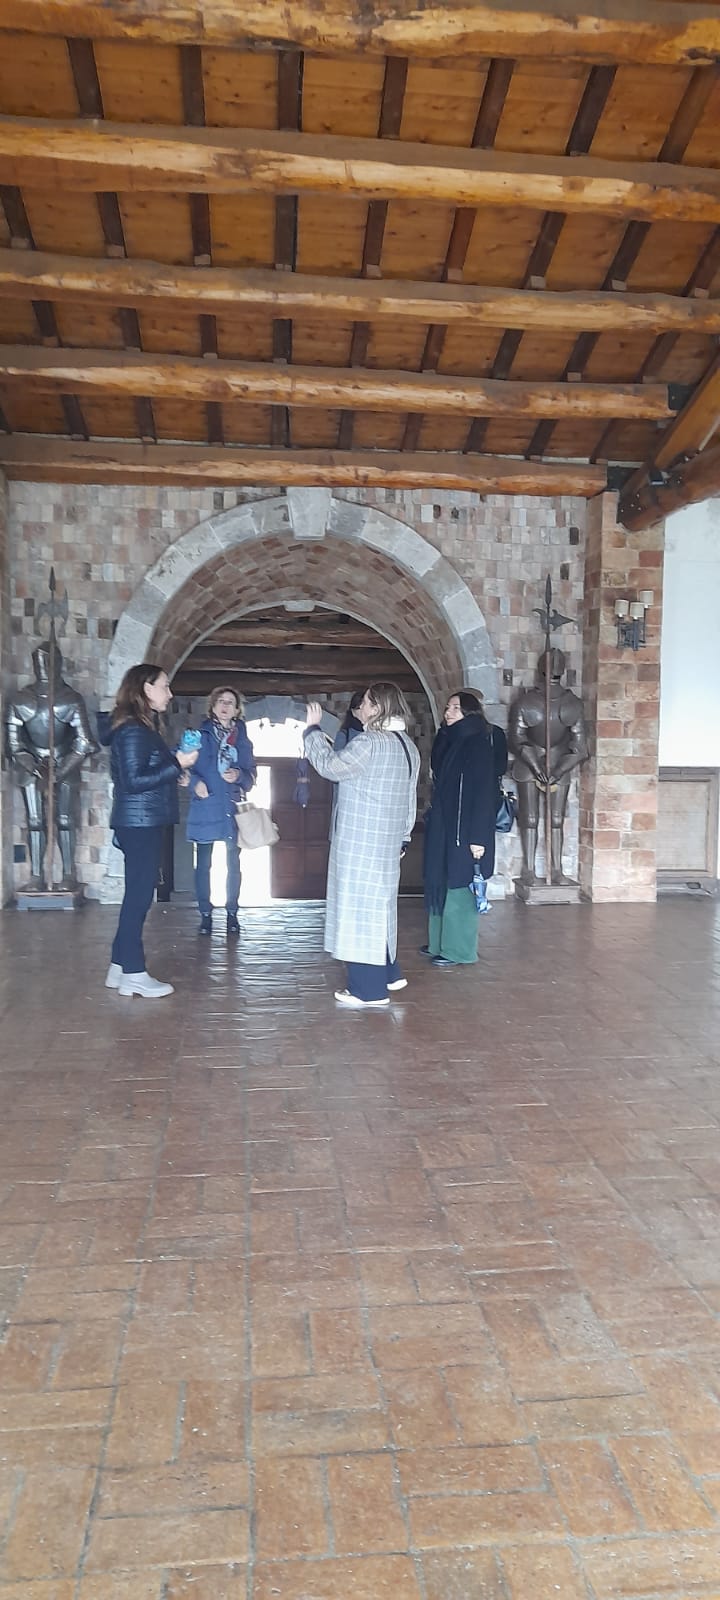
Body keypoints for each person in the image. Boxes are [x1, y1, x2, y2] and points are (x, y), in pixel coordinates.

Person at [303, 683, 420, 1009]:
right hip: (388, 842)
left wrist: (312, 732)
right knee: (381, 908)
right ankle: (390, 972)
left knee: (359, 912)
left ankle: (368, 990)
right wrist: (405, 836)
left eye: (366, 703)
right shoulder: (408, 745)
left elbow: (331, 767)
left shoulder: (370, 742)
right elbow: (410, 797)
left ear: (378, 708)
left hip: (360, 842)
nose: (361, 709)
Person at [104, 664, 198, 999]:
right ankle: (134, 973)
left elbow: (143, 771)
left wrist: (174, 769)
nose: (169, 694)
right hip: (139, 822)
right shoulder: (133, 729)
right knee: (139, 897)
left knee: (137, 894)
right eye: (164, 686)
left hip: (141, 820)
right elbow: (133, 781)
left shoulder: (139, 727)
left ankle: (119, 966)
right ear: (146, 688)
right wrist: (177, 764)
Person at [423, 690, 506, 967]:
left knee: (460, 886)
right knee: (440, 879)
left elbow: (483, 793)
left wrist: (479, 838)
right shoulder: (448, 739)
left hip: (467, 830)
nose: (448, 712)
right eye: (448, 707)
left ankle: (458, 950)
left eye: (455, 708)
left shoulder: (478, 743)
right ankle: (438, 943)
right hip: (445, 825)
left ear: (469, 712)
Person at [6, 642, 98, 888]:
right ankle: (37, 875)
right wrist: (35, 767)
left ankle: (68, 874)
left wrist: (61, 770)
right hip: (32, 764)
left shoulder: (71, 699)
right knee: (35, 821)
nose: (45, 666)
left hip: (65, 760)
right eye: (41, 661)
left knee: (65, 820)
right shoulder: (20, 700)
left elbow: (84, 742)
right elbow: (14, 745)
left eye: (50, 661)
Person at [507, 648, 588, 884]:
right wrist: (535, 765)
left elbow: (581, 748)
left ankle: (557, 870)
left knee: (556, 819)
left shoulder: (573, 704)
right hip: (528, 763)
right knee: (529, 818)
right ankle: (529, 869)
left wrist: (559, 770)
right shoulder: (525, 702)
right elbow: (516, 739)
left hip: (559, 760)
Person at [186, 685, 256, 937]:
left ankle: (232, 913)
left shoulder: (242, 738)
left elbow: (251, 775)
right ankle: (205, 914)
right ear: (213, 707)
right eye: (221, 701)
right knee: (203, 865)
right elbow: (180, 764)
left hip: (230, 809)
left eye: (230, 703)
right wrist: (195, 783)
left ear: (237, 710)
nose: (225, 706)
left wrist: (239, 775)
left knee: (233, 865)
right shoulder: (198, 735)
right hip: (206, 806)